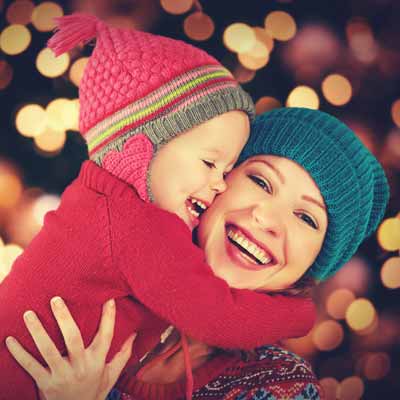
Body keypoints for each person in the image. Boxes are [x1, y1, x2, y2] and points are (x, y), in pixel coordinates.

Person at [0, 14, 315, 400]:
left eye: (229, 169)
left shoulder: (97, 198)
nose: (219, 183)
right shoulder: (140, 225)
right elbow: (216, 315)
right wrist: (298, 314)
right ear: (140, 147)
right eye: (209, 163)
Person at [6, 108, 389, 400]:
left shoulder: (278, 386)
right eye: (260, 180)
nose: (267, 219)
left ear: (316, 262)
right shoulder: (104, 271)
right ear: (217, 181)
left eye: (306, 217)